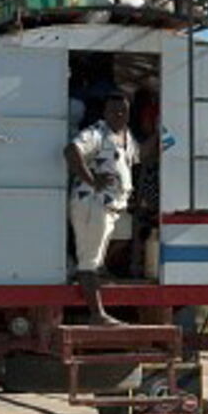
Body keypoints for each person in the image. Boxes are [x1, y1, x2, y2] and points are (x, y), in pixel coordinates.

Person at [64, 90, 139, 325]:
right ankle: (97, 314)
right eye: (114, 110)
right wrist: (92, 180)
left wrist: (161, 137)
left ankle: (93, 277)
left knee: (104, 252)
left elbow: (139, 156)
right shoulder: (97, 133)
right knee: (89, 262)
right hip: (93, 204)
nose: (119, 114)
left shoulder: (125, 136)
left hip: (112, 208)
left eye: (123, 111)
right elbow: (71, 150)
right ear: (105, 112)